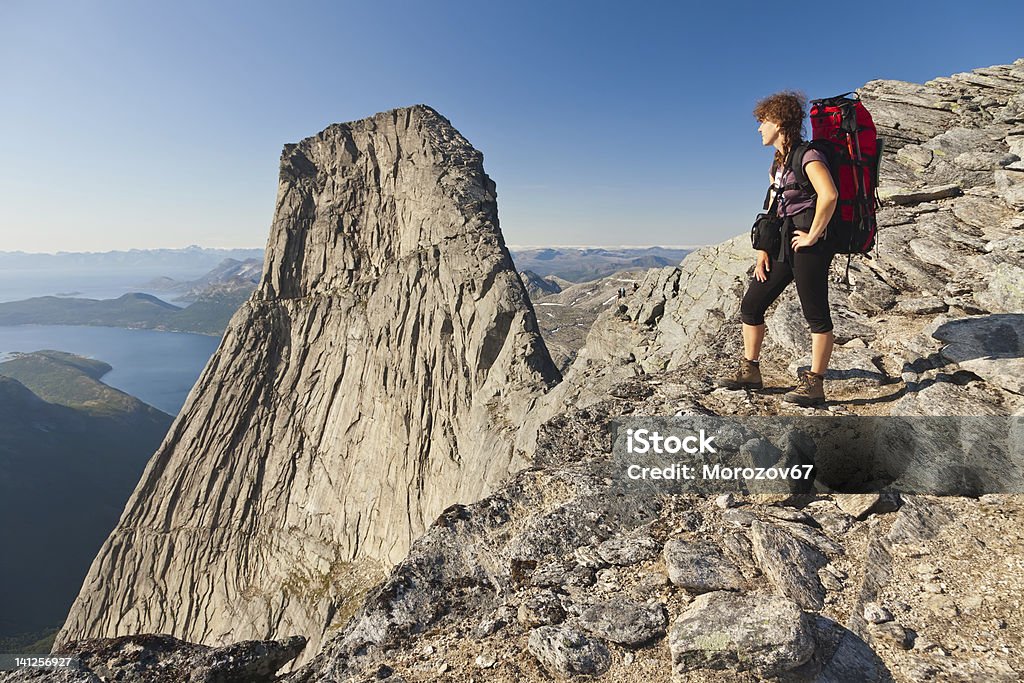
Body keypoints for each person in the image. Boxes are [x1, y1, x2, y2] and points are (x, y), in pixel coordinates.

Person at [717, 91, 839, 407]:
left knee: (816, 314)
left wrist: (812, 236)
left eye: (763, 122)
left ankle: (815, 384)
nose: (759, 129)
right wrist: (763, 252)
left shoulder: (807, 156)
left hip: (809, 246)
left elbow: (829, 195)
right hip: (782, 244)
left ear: (779, 123)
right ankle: (750, 372)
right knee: (752, 305)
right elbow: (774, 209)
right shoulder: (778, 164)